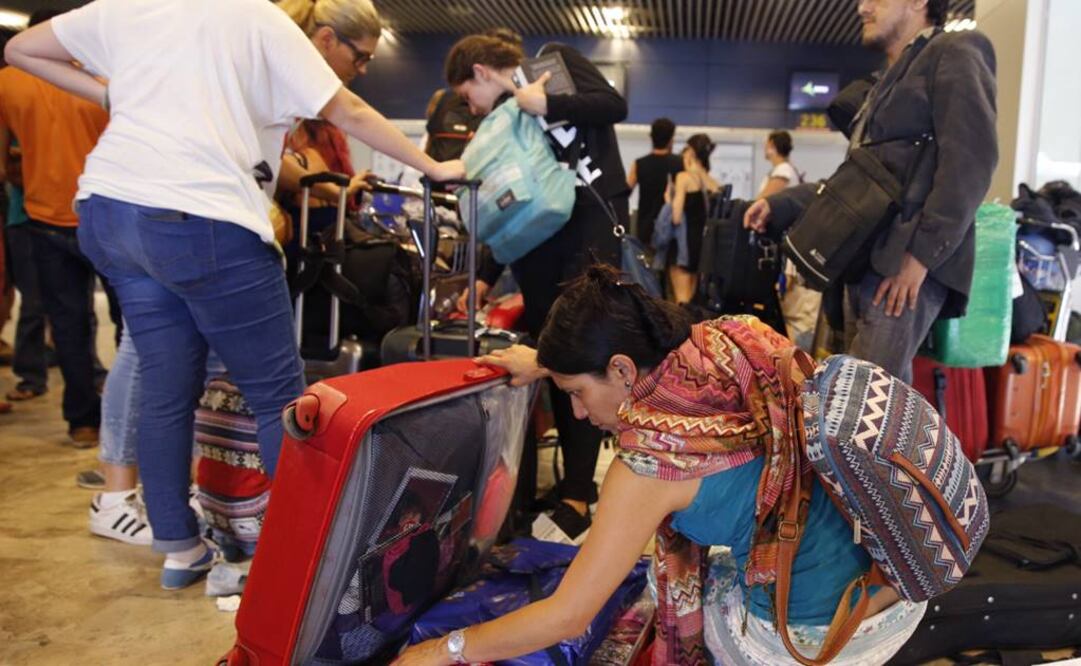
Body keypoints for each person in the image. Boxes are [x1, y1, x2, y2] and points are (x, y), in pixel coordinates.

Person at [5, 0, 462, 589]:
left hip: (110, 211)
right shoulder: (256, 18)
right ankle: (303, 558)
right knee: (279, 395)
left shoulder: (128, 9)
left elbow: (20, 50)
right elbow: (344, 107)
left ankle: (178, 548)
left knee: (168, 385)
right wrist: (433, 166)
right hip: (203, 219)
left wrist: (113, 95)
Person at [395, 265, 924, 666]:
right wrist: (547, 365)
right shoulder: (732, 339)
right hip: (891, 573)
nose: (577, 413)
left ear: (622, 369)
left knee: (652, 595)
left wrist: (446, 649)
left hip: (812, 634)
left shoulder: (649, 464)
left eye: (577, 393)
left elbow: (567, 617)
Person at [744, 0, 997, 383]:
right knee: (855, 399)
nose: (862, 7)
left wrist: (920, 258)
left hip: (902, 264)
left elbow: (971, 160)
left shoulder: (955, 51)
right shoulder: (887, 81)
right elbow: (855, 181)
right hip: (864, 261)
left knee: (870, 404)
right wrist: (778, 203)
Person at [446, 32, 629, 539]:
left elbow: (613, 104)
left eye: (468, 95)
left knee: (584, 356)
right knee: (551, 361)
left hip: (589, 228)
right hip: (538, 248)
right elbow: (507, 203)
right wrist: (483, 277)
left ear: (482, 71)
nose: (472, 107)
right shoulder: (501, 125)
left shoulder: (555, 65)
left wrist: (546, 103)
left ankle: (579, 492)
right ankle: (565, 487)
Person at [0, 8, 114, 447]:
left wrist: (25, 170)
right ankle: (130, 416)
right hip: (105, 214)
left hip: (43, 216)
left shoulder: (9, 81)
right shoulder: (101, 80)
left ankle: (82, 422)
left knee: (68, 325)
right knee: (135, 324)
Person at [754, 130, 817, 352]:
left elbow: (763, 200)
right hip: (788, 246)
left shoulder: (782, 171)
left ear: (771, 145)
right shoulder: (788, 170)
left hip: (787, 249)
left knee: (792, 309)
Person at [668, 134, 720, 304]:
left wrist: (668, 198)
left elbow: (676, 217)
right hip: (704, 246)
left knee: (681, 301)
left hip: (684, 244)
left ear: (690, 151)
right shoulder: (714, 183)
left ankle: (682, 331)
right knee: (694, 299)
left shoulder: (683, 178)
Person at [627, 117, 682, 246]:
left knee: (645, 264)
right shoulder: (681, 163)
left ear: (651, 137)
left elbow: (625, 192)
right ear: (671, 139)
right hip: (672, 229)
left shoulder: (639, 164)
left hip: (646, 228)